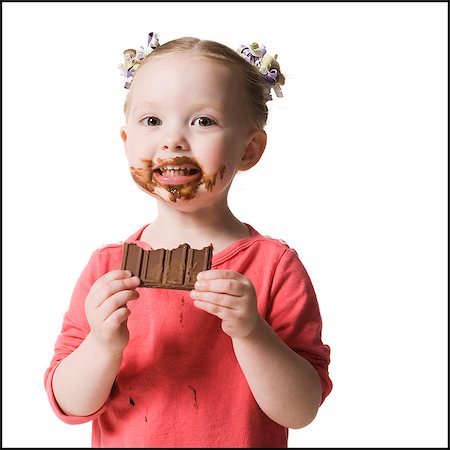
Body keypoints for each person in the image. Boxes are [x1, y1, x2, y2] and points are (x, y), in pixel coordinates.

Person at [44, 32, 332, 448]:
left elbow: (300, 410)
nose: (172, 140)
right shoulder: (107, 268)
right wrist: (102, 342)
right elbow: (68, 404)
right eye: (152, 121)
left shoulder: (274, 267)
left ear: (250, 149)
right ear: (127, 144)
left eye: (203, 121)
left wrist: (252, 333)